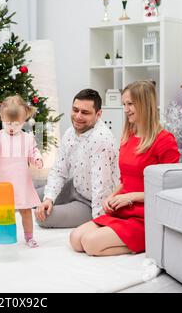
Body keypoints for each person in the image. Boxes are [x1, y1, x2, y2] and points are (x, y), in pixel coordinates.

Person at [70, 80, 180, 256]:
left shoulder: (164, 141)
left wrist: (131, 197)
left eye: (130, 104)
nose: (126, 109)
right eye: (124, 104)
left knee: (91, 244)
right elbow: (125, 180)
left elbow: (169, 189)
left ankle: (147, 241)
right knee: (76, 239)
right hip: (121, 208)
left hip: (143, 214)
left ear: (144, 104)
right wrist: (111, 196)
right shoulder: (128, 136)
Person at [35, 89, 120, 228]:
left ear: (98, 114)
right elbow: (59, 170)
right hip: (74, 186)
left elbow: (101, 188)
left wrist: (99, 223)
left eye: (85, 112)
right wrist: (49, 198)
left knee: (43, 218)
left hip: (89, 202)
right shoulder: (70, 133)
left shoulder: (101, 140)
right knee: (27, 196)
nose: (78, 116)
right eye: (75, 110)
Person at [0, 95, 44, 248]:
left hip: (22, 182)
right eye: (7, 123)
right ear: (1, 117)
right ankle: (3, 235)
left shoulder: (27, 138)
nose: (11, 127)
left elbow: (33, 152)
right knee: (2, 212)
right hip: (4, 183)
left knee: (26, 211)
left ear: (24, 121)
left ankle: (29, 237)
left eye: (16, 124)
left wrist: (36, 159)